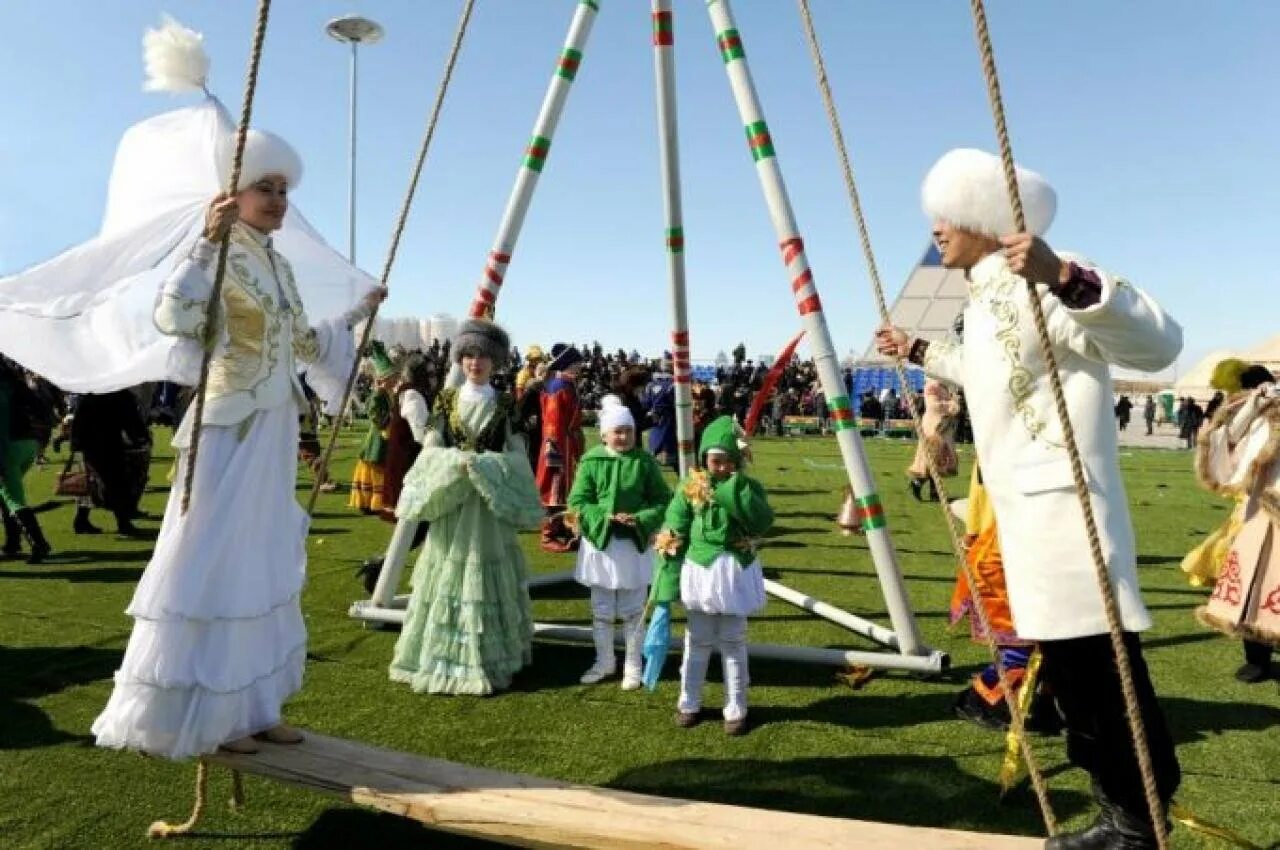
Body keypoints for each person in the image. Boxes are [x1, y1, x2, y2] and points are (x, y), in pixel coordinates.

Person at [876, 147, 1182, 848]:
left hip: (1066, 510)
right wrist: (922, 351)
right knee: (1072, 675)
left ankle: (1136, 819)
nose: (936, 232)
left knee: (1102, 669)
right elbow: (989, 372)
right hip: (1025, 515)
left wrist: (1066, 277)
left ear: (982, 216)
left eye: (945, 216)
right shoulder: (983, 296)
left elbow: (1158, 342)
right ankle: (1124, 810)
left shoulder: (1044, 273)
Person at [91, 116, 384, 756]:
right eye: (266, 188)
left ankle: (254, 706)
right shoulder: (219, 250)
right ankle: (207, 716)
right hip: (229, 426)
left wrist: (360, 313)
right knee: (218, 563)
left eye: (284, 190)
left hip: (275, 425)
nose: (279, 201)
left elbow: (303, 342)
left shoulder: (276, 266)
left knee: (261, 562)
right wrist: (203, 244)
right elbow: (176, 316)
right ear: (234, 193)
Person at [388, 319, 544, 695]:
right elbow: (431, 447)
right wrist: (452, 462)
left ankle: (491, 659)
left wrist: (486, 466)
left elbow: (517, 454)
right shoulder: (445, 400)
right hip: (455, 501)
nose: (475, 362)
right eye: (469, 355)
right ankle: (443, 658)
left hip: (486, 505)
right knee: (448, 569)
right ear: (460, 358)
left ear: (496, 362)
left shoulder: (506, 405)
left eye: (483, 356)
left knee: (485, 572)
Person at [651, 416, 774, 736]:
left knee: (733, 641)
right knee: (697, 640)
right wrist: (666, 571)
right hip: (700, 572)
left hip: (734, 572)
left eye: (725, 461)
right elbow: (675, 526)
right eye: (713, 460)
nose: (718, 467)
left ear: (736, 460)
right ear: (704, 458)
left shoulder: (747, 486)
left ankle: (736, 707)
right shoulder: (690, 485)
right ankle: (688, 701)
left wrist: (734, 487)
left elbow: (761, 522)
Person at [567, 398, 672, 688]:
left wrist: (639, 518)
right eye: (617, 431)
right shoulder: (591, 461)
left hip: (632, 546)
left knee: (633, 610)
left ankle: (633, 665)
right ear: (604, 434)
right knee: (601, 610)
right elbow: (577, 501)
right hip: (601, 545)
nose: (623, 436)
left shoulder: (644, 462)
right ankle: (604, 662)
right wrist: (605, 516)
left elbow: (663, 499)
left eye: (628, 431)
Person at [1192, 362, 1279, 684]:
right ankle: (1256, 657)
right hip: (1260, 511)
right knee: (1252, 583)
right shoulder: (1260, 409)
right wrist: (1255, 403)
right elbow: (1229, 438)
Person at [70, 389, 152, 537]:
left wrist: (75, 441)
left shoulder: (90, 393)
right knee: (116, 483)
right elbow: (131, 418)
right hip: (110, 443)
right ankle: (123, 523)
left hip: (91, 443)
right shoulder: (119, 393)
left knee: (91, 482)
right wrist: (141, 436)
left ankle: (81, 520)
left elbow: (79, 418)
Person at [0, 358, 54, 563]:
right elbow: (41, 409)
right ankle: (12, 543)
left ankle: (39, 543)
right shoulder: (15, 381)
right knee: (5, 496)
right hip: (29, 443)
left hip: (8, 448)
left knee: (13, 498)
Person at [537, 344, 585, 552]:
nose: (580, 367)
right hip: (557, 445)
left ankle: (560, 527)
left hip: (566, 442)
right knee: (554, 489)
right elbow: (553, 423)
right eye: (576, 364)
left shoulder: (564, 384)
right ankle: (548, 534)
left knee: (565, 488)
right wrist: (555, 450)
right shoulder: (558, 387)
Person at [348, 341, 396, 515]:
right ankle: (369, 502)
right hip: (378, 438)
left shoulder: (388, 395)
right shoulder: (377, 396)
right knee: (375, 467)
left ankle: (373, 502)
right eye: (391, 379)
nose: (394, 381)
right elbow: (375, 415)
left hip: (385, 436)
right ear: (383, 380)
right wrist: (390, 420)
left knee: (380, 468)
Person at [905, 379, 959, 501]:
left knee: (939, 460)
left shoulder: (945, 385)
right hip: (934, 426)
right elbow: (933, 406)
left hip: (944, 426)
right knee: (931, 459)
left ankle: (934, 492)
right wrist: (951, 404)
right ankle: (917, 483)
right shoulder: (932, 386)